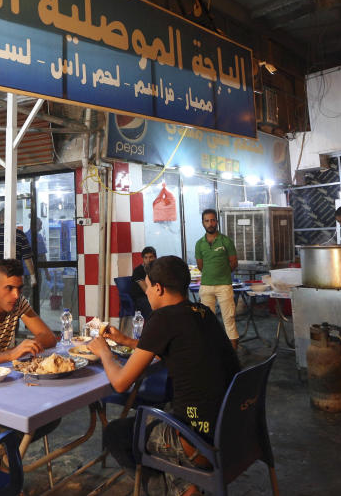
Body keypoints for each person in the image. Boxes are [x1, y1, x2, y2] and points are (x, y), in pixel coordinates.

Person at [91, 255, 239, 496]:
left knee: (116, 434)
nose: (147, 292)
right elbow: (170, 350)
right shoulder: (202, 312)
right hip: (232, 432)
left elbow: (120, 383)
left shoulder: (162, 319)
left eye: (148, 286)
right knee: (156, 420)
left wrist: (104, 352)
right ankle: (185, 485)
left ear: (158, 288)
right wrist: (125, 340)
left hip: (197, 441)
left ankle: (178, 489)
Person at [194, 209, 239, 350]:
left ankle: (233, 359)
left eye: (213, 220)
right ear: (203, 223)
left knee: (229, 320)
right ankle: (213, 356)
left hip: (224, 286)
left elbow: (233, 263)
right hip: (206, 287)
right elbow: (200, 266)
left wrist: (222, 274)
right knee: (208, 322)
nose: (210, 223)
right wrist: (211, 274)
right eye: (207, 221)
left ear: (217, 222)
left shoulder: (226, 241)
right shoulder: (199, 244)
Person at [0, 208, 36, 298]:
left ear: (0, 218)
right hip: (14, 278)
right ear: (12, 218)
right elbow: (27, 258)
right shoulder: (20, 234)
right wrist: (33, 276)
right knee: (14, 306)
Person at [129, 245, 157, 318]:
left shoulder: (157, 269)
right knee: (152, 305)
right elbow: (146, 290)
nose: (148, 260)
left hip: (152, 295)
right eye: (146, 257)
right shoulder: (138, 271)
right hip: (140, 298)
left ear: (155, 258)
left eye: (151, 257)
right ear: (143, 259)